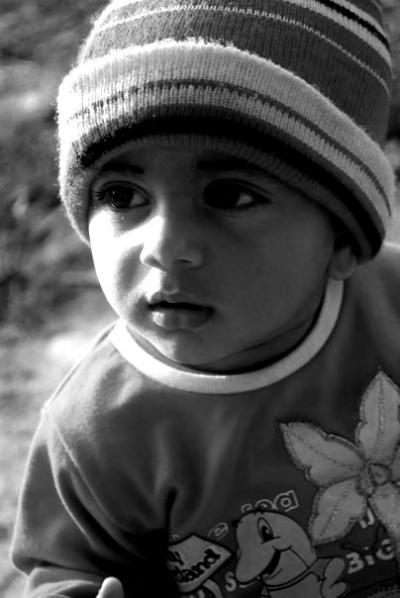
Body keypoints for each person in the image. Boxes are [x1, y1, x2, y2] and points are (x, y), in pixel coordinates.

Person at [10, 0, 400, 596]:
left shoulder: (392, 306)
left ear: (343, 240)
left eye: (230, 195)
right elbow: (64, 567)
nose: (164, 246)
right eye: (121, 195)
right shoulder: (96, 431)